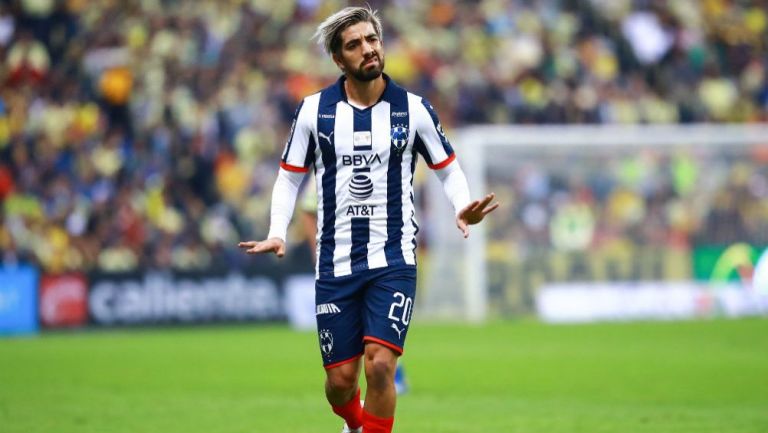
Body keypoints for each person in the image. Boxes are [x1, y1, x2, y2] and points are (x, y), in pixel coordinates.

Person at [238, 6, 498, 433]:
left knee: (380, 365)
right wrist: (276, 232)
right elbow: (288, 180)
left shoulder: (413, 110)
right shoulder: (313, 112)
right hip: (336, 263)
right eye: (354, 45)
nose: (368, 50)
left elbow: (448, 168)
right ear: (339, 60)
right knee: (340, 384)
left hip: (393, 259)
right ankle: (354, 424)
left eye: (372, 40)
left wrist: (461, 204)